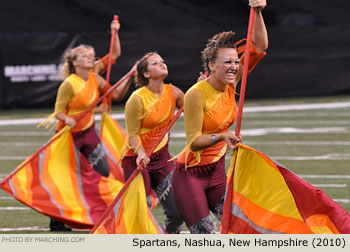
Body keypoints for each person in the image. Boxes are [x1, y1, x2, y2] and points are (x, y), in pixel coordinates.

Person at [171, 0, 269, 234]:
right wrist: (223, 136)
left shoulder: (232, 83)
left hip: (217, 173)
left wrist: (257, 12)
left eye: (237, 61)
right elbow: (193, 142)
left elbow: (260, 44)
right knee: (206, 237)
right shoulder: (196, 93)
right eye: (228, 62)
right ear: (211, 66)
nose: (235, 66)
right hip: (190, 176)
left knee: (243, 228)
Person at [49, 19, 133, 231]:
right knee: (68, 179)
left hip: (89, 133)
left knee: (103, 173)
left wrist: (130, 75)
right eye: (85, 55)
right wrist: (66, 118)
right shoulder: (69, 84)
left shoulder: (95, 77)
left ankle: (100, 213)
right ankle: (57, 220)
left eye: (91, 55)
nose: (90, 58)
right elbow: (58, 111)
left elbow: (115, 92)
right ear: (75, 62)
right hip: (68, 136)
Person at [121, 52, 184, 233]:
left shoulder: (174, 92)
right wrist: (140, 152)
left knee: (177, 210)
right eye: (156, 63)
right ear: (146, 74)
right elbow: (133, 134)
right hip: (136, 159)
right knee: (143, 210)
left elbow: (195, 108)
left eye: (163, 61)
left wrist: (202, 87)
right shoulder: (137, 98)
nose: (162, 64)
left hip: (161, 158)